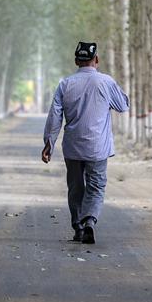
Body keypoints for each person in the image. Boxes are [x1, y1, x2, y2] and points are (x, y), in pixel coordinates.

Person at [41, 41, 129, 244]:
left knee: (75, 188)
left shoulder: (65, 84)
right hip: (98, 148)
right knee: (96, 186)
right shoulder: (106, 82)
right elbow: (123, 106)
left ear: (76, 61)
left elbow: (55, 116)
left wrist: (49, 143)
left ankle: (78, 227)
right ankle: (89, 219)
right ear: (96, 60)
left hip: (72, 147)